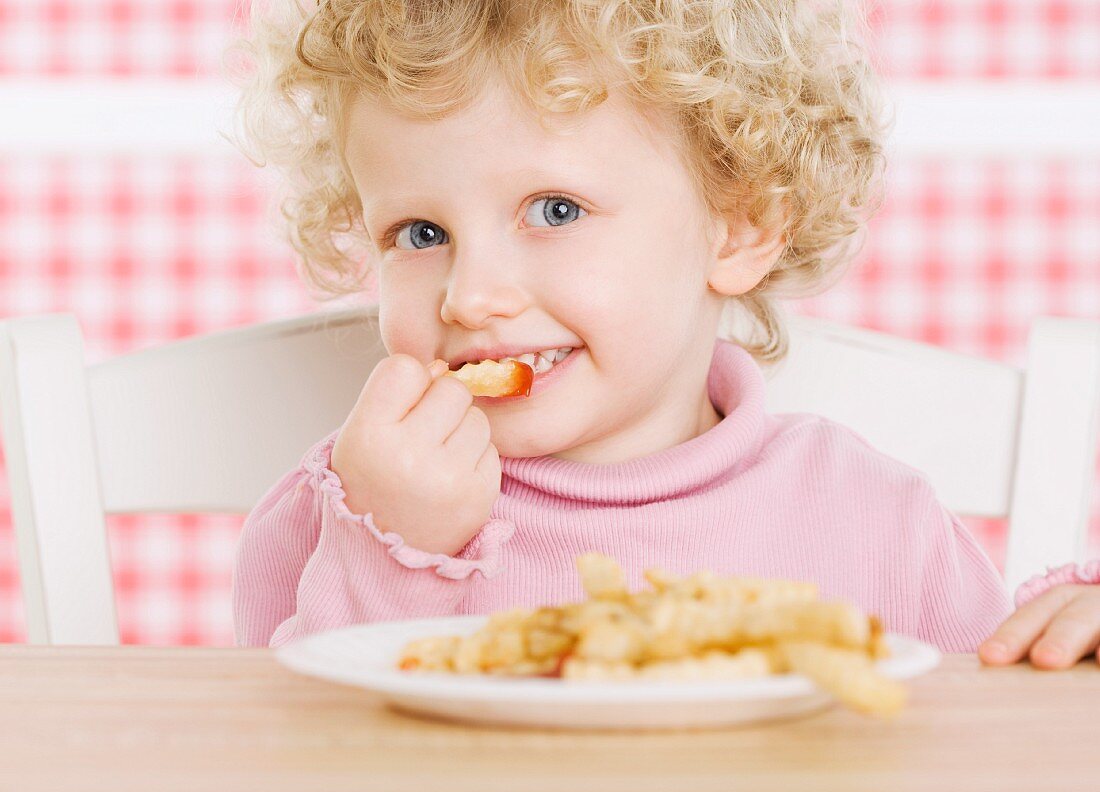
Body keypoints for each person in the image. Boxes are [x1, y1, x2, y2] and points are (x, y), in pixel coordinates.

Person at [227, 0, 1099, 663]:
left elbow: (995, 754)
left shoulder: (881, 524)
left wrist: (1070, 649)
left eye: (554, 210)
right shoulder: (344, 515)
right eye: (420, 234)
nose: (470, 297)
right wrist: (395, 554)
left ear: (739, 226)